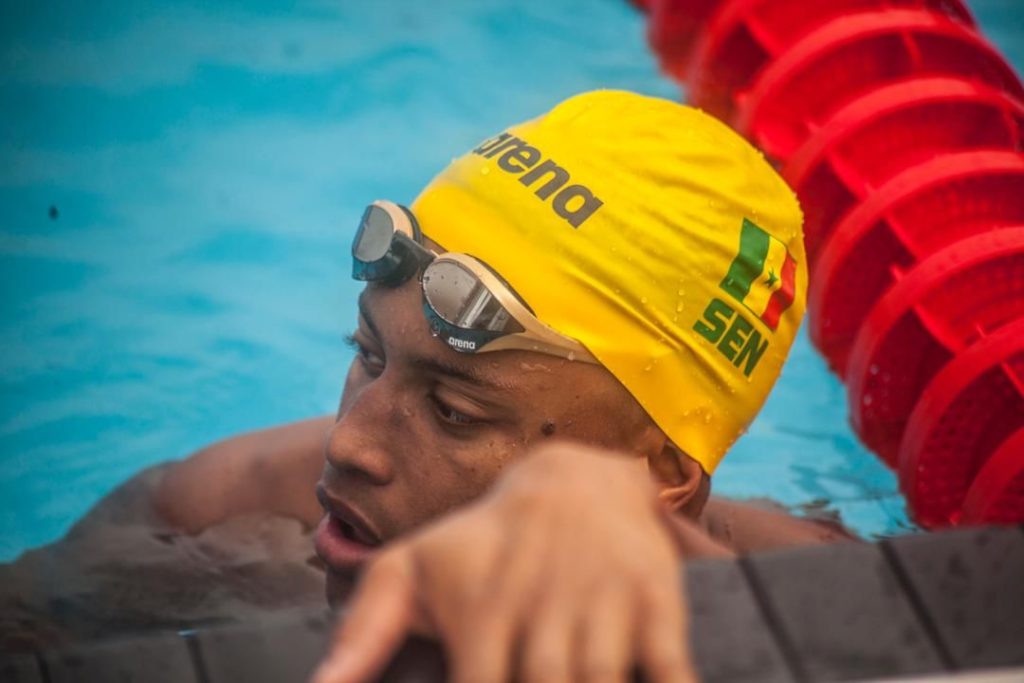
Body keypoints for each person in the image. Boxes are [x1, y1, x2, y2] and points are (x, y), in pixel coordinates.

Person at [144, 90, 852, 682]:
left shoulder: (842, 604)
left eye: (453, 411)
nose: (350, 442)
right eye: (367, 352)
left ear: (656, 473)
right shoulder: (224, 517)